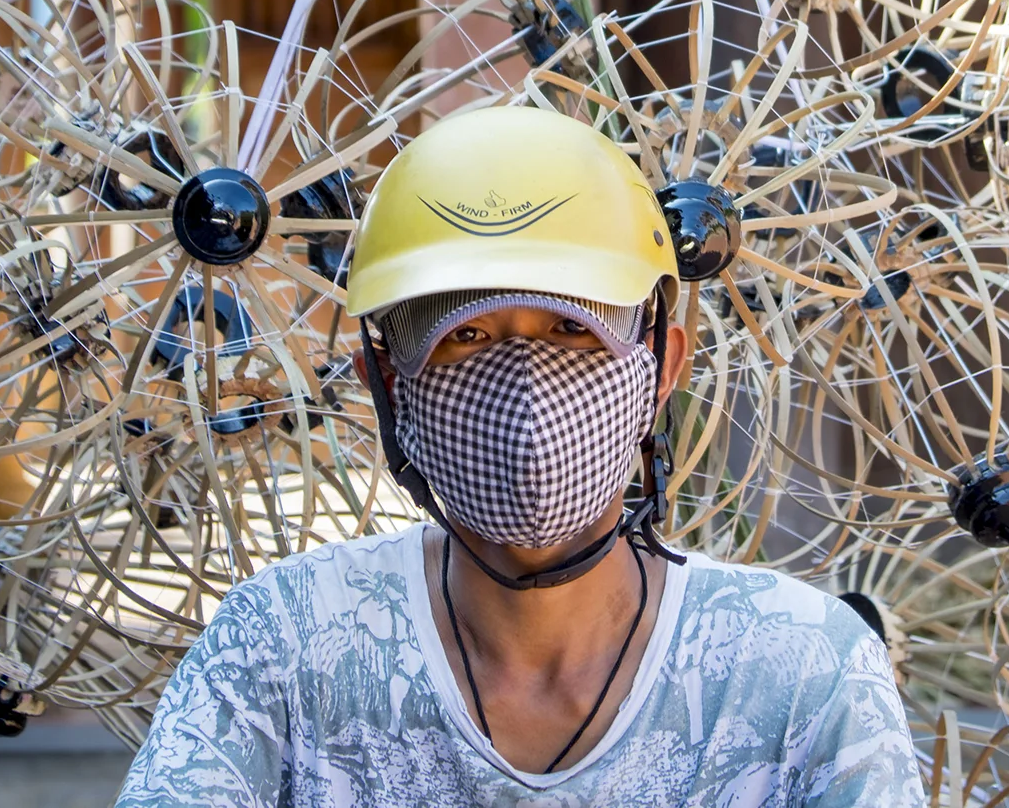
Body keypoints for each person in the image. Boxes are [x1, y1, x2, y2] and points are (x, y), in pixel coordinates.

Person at [117, 108, 925, 806]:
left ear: (663, 366)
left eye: (573, 331)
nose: (528, 396)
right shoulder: (285, 648)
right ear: (388, 383)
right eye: (465, 338)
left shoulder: (803, 673)